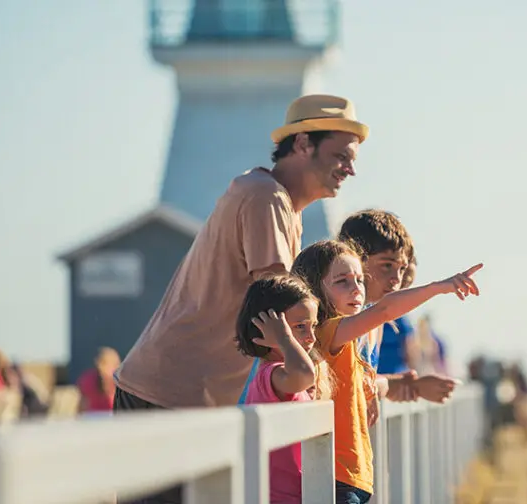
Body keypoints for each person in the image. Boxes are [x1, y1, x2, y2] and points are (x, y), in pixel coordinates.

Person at [112, 95, 366, 504]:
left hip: (181, 393)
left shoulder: (271, 197)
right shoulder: (266, 198)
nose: (350, 169)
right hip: (172, 395)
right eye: (340, 156)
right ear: (302, 143)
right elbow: (282, 310)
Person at [292, 239, 482, 503]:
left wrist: (404, 386)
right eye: (342, 281)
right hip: (337, 479)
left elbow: (364, 386)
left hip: (354, 477)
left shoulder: (347, 343)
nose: (357, 289)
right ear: (314, 289)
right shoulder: (328, 332)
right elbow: (384, 309)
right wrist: (439, 288)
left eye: (359, 280)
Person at [338, 210, 459, 404]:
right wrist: (437, 288)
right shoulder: (339, 314)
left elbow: (364, 383)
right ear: (355, 259)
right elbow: (342, 385)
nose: (396, 279)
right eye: (387, 265)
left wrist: (411, 386)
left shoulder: (376, 319)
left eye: (401, 269)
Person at [235, 274, 333, 503]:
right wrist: (284, 338)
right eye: (300, 327)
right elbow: (305, 375)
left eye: (313, 326)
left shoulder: (283, 373)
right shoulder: (271, 375)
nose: (311, 337)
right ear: (265, 331)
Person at [77, 347, 121, 413]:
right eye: (100, 363)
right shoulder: (88, 381)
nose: (101, 367)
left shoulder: (123, 385)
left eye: (105, 363)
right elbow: (81, 409)